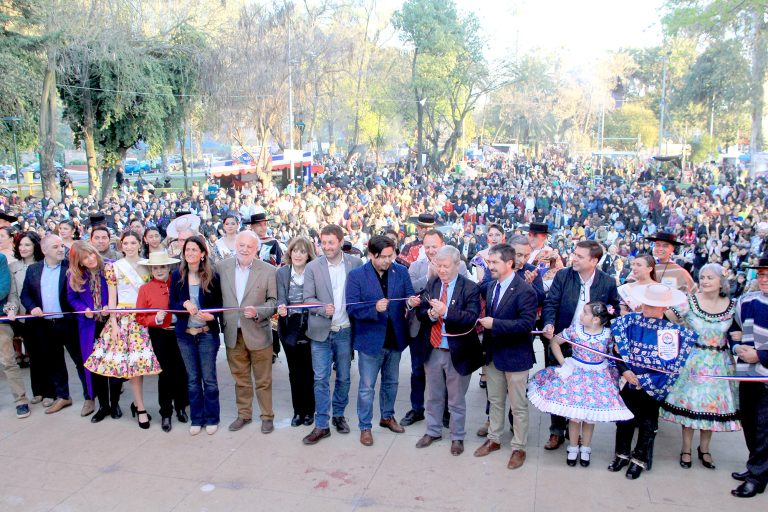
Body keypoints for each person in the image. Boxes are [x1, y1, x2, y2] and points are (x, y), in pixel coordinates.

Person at [528, 302, 633, 467]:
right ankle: (573, 447)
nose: (581, 315)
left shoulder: (608, 334)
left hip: (598, 377)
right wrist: (564, 363)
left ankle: (586, 448)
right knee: (575, 416)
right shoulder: (575, 330)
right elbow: (555, 342)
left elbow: (616, 353)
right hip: (576, 375)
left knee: (589, 417)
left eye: (585, 313)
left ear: (596, 320)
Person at [609, 284, 697, 480]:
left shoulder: (672, 332)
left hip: (653, 385)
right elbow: (617, 351)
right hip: (628, 380)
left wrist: (644, 380)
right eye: (645, 304)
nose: (646, 308)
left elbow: (671, 366)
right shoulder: (628, 322)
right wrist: (625, 371)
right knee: (624, 420)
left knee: (648, 422)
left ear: (664, 308)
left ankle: (639, 459)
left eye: (652, 305)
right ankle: (621, 454)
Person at [541, 240, 620, 450]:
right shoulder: (563, 275)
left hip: (588, 349)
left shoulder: (607, 282)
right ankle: (556, 432)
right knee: (559, 387)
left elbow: (614, 310)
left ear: (594, 260)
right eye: (574, 254)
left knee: (581, 391)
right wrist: (549, 324)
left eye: (579, 256)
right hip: (563, 338)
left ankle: (576, 436)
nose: (573, 258)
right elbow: (551, 302)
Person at [661, 263, 741, 469]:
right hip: (694, 362)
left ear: (721, 282)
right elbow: (666, 318)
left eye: (709, 278)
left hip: (720, 365)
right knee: (691, 406)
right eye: (702, 277)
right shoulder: (690, 302)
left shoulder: (732, 306)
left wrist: (739, 343)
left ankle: (704, 449)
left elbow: (737, 333)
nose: (704, 281)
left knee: (711, 409)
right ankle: (686, 449)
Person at [346, 235, 419, 446]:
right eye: (384, 257)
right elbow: (351, 307)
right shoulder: (357, 275)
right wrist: (373, 308)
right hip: (370, 341)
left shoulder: (401, 271)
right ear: (372, 254)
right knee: (367, 386)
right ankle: (365, 426)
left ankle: (387, 416)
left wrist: (411, 303)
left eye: (391, 255)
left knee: (391, 382)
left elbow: (408, 297)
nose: (388, 260)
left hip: (395, 338)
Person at [84, 231, 161, 429]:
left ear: (139, 244)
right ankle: (141, 407)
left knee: (141, 364)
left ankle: (138, 403)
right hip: (125, 318)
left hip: (146, 316)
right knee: (133, 366)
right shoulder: (114, 268)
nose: (129, 246)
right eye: (125, 243)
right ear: (121, 245)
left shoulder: (148, 264)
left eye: (132, 242)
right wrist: (114, 323)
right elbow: (112, 299)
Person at [472, 243, 537, 468]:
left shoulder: (525, 291)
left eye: (494, 262)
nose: (490, 266)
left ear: (509, 263)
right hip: (493, 354)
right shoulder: (491, 287)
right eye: (489, 262)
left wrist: (495, 324)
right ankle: (494, 440)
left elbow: (526, 324)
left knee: (518, 406)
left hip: (516, 356)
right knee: (495, 401)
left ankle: (518, 447)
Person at [414, 245, 483, 456]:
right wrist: (432, 315)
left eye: (445, 266)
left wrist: (447, 312)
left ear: (457, 265)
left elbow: (471, 318)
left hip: (457, 351)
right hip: (434, 348)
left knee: (456, 399)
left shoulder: (470, 288)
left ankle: (457, 437)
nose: (441, 270)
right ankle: (433, 431)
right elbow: (421, 312)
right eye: (438, 265)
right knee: (433, 395)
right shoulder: (433, 283)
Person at [301, 224, 363, 445]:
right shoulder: (312, 267)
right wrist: (320, 307)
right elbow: (306, 298)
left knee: (344, 377)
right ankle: (321, 424)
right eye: (323, 242)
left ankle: (338, 415)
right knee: (320, 378)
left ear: (340, 242)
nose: (326, 247)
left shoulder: (355, 264)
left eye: (330, 242)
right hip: (320, 331)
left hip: (344, 331)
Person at [401, 229, 468, 427]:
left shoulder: (459, 264)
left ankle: (447, 412)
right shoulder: (416, 266)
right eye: (427, 246)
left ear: (443, 245)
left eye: (434, 246)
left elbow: (461, 289)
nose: (430, 250)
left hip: (444, 327)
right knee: (417, 370)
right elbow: (411, 290)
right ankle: (417, 409)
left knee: (447, 371)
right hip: (420, 325)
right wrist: (430, 276)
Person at [216, 230, 277, 434]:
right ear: (235, 245)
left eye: (250, 246)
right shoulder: (221, 268)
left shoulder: (268, 270)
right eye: (241, 245)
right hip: (233, 333)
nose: (245, 249)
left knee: (263, 380)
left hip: (258, 333)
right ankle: (244, 414)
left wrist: (258, 311)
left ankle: (267, 416)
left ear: (256, 249)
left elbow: (274, 303)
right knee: (240, 379)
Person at [20, 235, 89, 414]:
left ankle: (89, 396)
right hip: (45, 325)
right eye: (55, 247)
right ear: (44, 250)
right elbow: (25, 294)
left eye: (61, 246)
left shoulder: (71, 268)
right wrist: (32, 306)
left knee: (80, 360)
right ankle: (63, 396)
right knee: (55, 361)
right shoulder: (33, 270)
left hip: (68, 323)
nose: (61, 249)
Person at [170, 235, 223, 435]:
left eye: (194, 249)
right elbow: (171, 305)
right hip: (185, 334)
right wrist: (183, 304)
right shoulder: (177, 275)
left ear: (202, 254)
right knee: (192, 379)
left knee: (209, 378)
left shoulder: (212, 275)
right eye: (187, 249)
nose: (190, 253)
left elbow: (220, 305)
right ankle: (197, 418)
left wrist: (211, 315)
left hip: (206, 334)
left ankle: (212, 417)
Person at [66, 241, 121, 423]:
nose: (90, 259)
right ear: (79, 261)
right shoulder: (75, 275)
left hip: (111, 323)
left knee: (114, 365)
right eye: (85, 258)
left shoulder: (111, 266)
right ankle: (103, 406)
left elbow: (122, 292)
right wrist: (83, 309)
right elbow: (71, 297)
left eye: (91, 254)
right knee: (96, 367)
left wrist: (111, 306)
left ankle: (115, 404)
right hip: (89, 326)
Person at [136, 252, 189, 432]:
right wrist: (155, 320)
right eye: (155, 268)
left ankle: (181, 406)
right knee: (165, 374)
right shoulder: (145, 289)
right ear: (151, 270)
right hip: (160, 334)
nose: (159, 271)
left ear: (168, 268)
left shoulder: (178, 283)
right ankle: (166, 412)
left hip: (180, 332)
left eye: (163, 267)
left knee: (181, 371)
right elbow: (140, 316)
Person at [729, 257, 768, 498]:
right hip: (747, 374)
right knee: (750, 423)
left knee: (765, 428)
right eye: (761, 274)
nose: (764, 279)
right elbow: (733, 331)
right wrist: (737, 349)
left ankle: (757, 477)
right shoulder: (747, 301)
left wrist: (761, 355)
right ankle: (757, 465)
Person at [276, 236, 316, 427]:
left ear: (308, 254)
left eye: (302, 251)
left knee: (308, 371)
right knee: (294, 372)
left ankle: (309, 411)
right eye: (295, 250)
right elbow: (280, 297)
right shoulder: (283, 272)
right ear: (289, 252)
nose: (298, 254)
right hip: (289, 326)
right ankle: (297, 412)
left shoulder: (314, 271)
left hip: (309, 325)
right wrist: (281, 306)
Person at [8, 232, 43, 376]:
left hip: (44, 316)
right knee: (33, 356)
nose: (23, 248)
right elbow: (13, 295)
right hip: (25, 317)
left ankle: (56, 393)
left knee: (48, 355)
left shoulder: (44, 265)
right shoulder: (13, 267)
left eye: (27, 244)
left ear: (35, 246)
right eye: (20, 244)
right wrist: (12, 310)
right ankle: (39, 393)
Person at [0, 245, 30, 418]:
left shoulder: (0, 259)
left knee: (8, 362)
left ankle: (21, 401)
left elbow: (3, 289)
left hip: (1, 321)